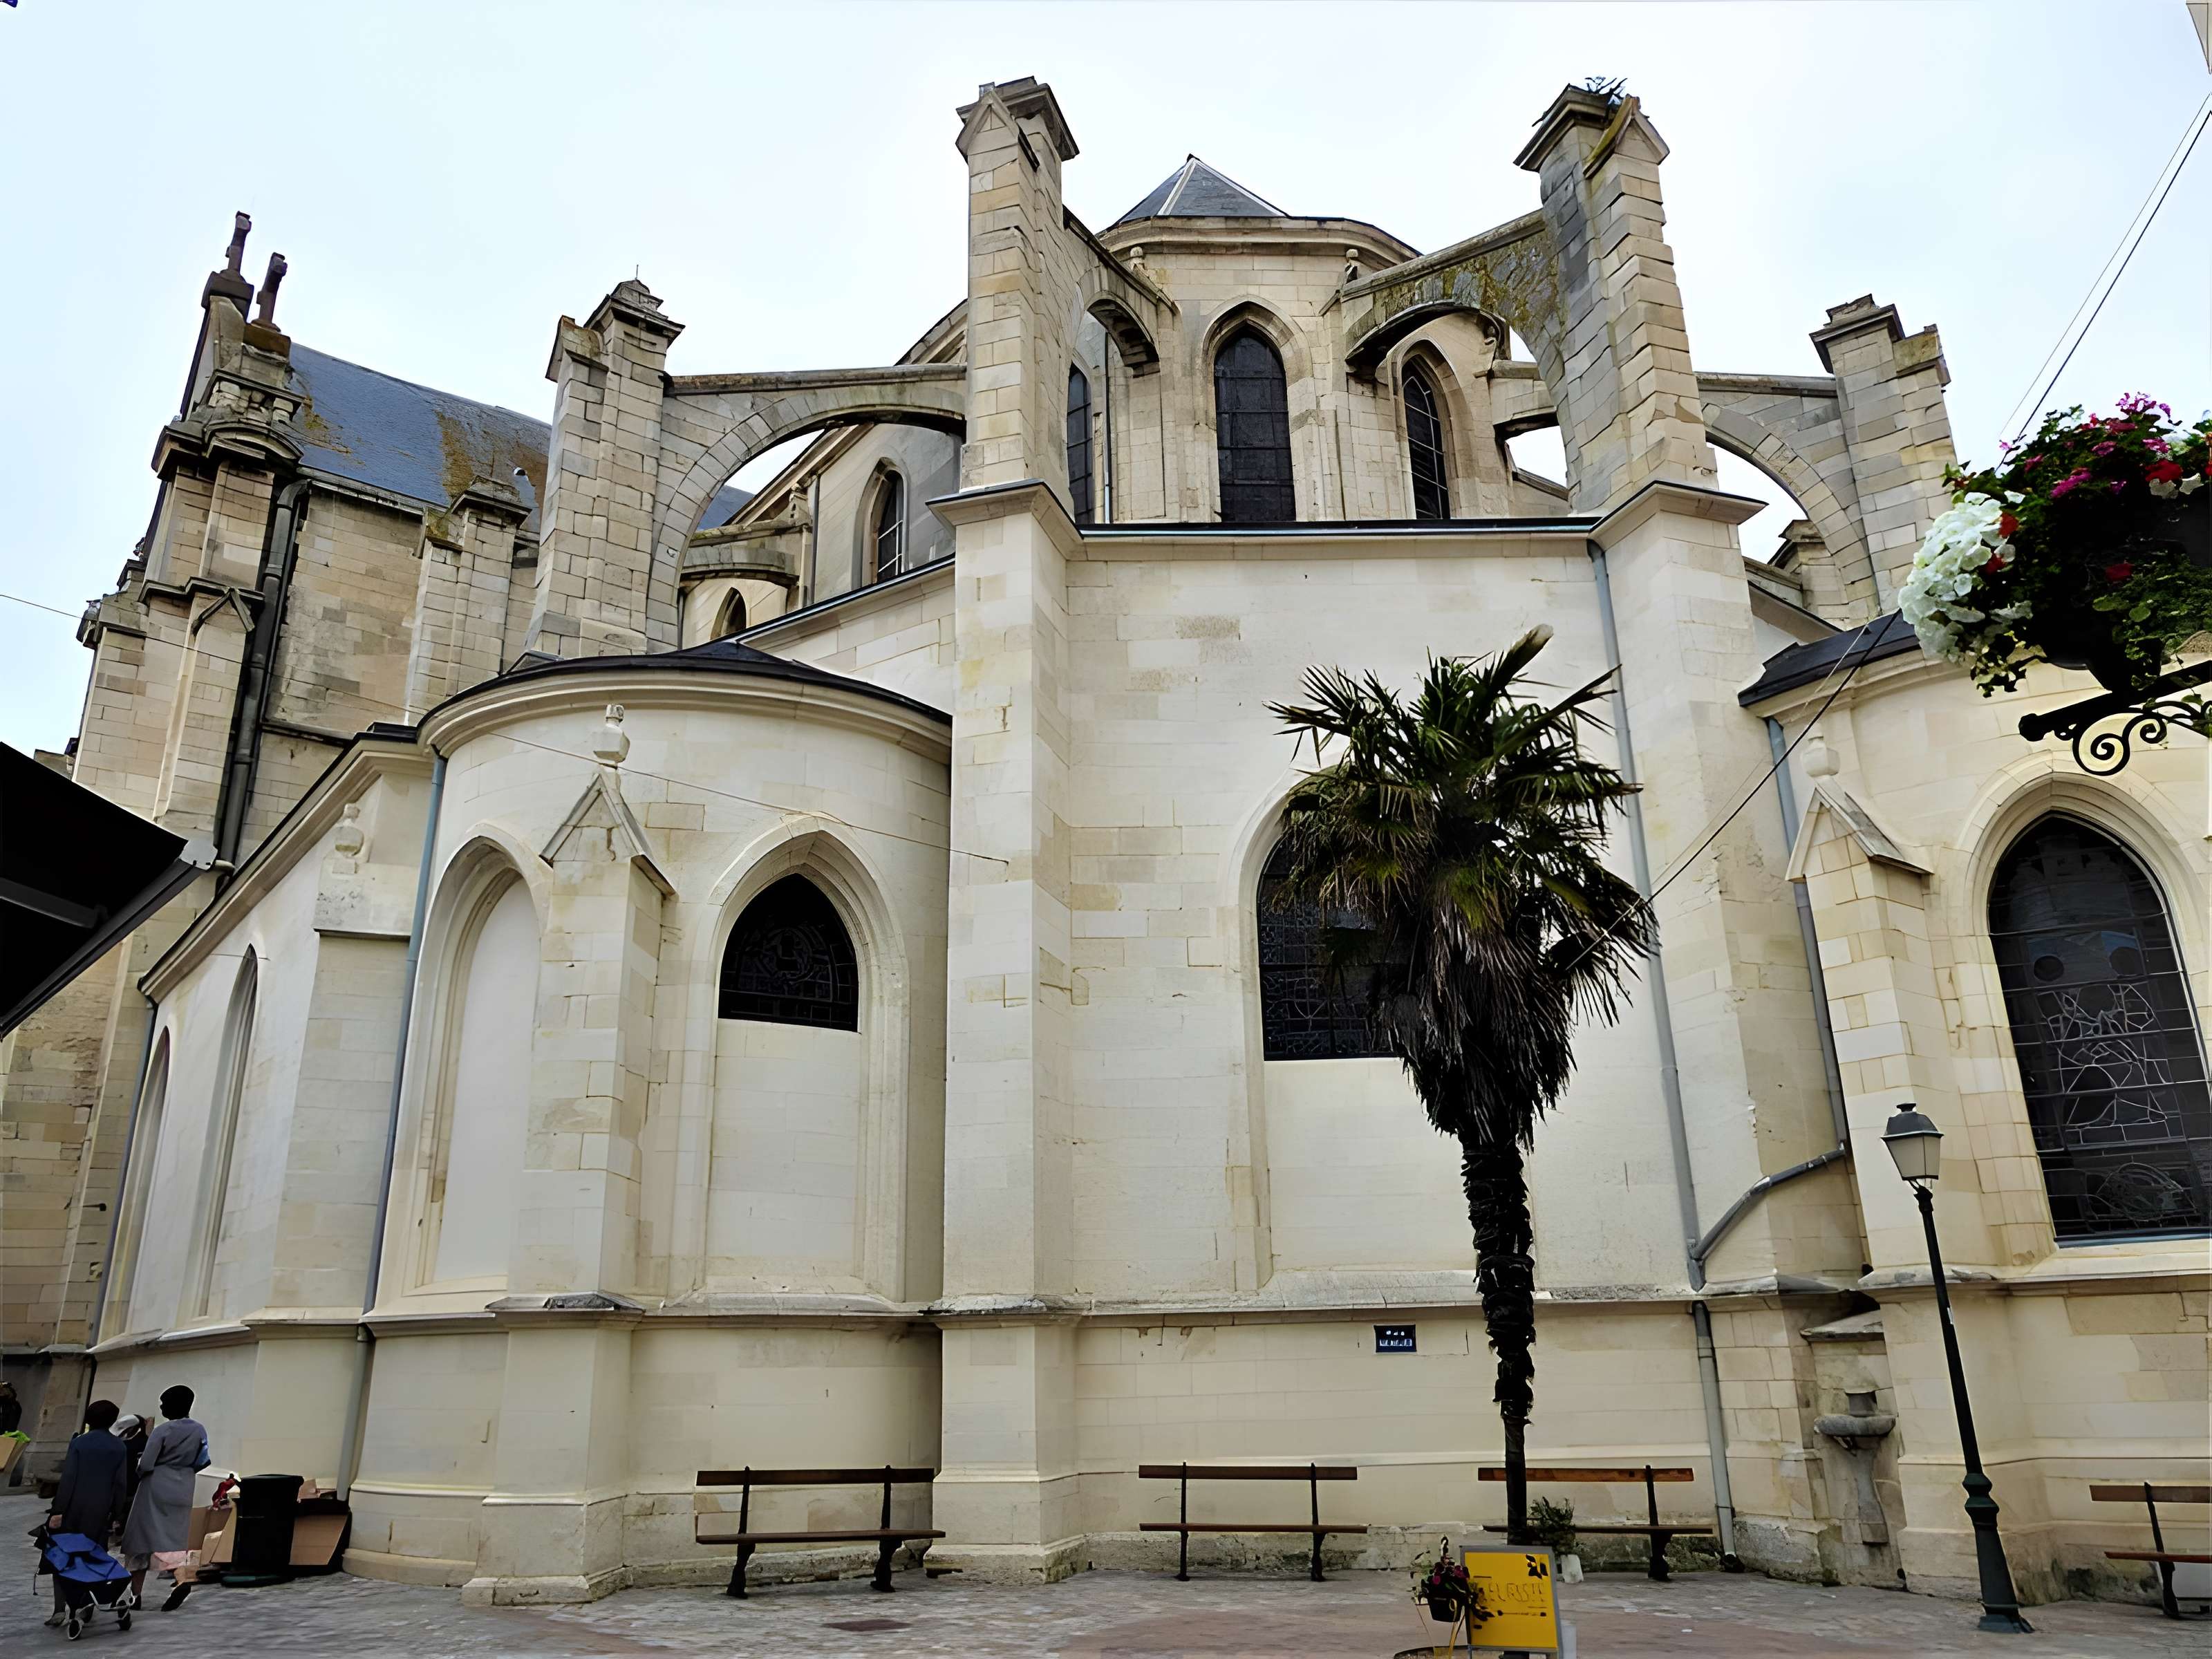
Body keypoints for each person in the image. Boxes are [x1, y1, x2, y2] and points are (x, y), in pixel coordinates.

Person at [42, 1399, 131, 1628]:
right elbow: (121, 1484)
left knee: (62, 1557)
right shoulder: (119, 1447)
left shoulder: (80, 1443)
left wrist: (58, 1509)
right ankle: (85, 1604)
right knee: (92, 1558)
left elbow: (69, 1479)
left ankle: (60, 1609)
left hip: (73, 1509)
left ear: (88, 1419)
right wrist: (116, 1512)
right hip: (100, 1512)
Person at [120, 1385, 207, 1612]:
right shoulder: (199, 1430)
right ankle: (181, 1578)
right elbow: (203, 1460)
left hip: (156, 1485)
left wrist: (140, 1471)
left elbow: (147, 1463)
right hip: (184, 1485)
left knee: (140, 1539)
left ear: (172, 1405)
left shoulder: (162, 1431)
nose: (160, 1407)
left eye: (163, 1403)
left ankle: (135, 1595)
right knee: (174, 1540)